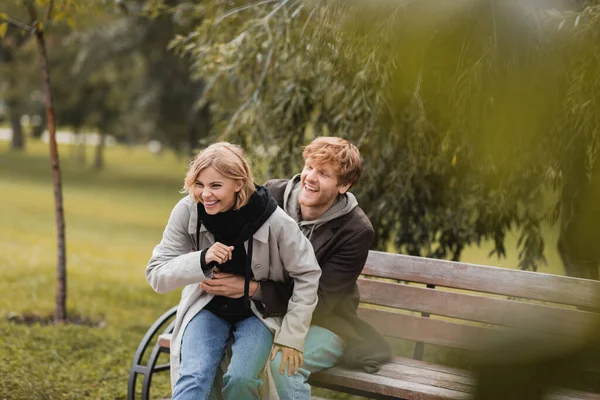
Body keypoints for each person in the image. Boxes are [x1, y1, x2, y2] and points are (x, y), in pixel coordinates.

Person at [201, 137, 392, 399]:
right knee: (229, 362)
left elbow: (322, 301)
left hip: (324, 322)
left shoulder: (355, 230)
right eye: (309, 167)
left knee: (282, 364)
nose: (310, 178)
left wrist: (252, 288)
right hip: (261, 314)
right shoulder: (270, 195)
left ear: (344, 185)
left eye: (323, 174)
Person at [146, 142, 322, 400]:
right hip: (207, 308)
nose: (205, 194)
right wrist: (202, 258)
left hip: (256, 314)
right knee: (194, 376)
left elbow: (307, 274)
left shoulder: (274, 220)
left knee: (241, 379)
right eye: (199, 184)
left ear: (238, 183)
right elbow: (157, 274)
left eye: (216, 185)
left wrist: (292, 337)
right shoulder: (187, 210)